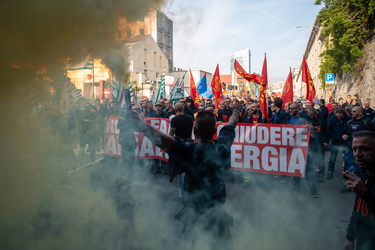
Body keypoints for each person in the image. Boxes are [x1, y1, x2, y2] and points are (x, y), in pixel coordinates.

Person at [127, 102, 242, 250]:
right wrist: (237, 111)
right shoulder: (222, 146)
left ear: (194, 130)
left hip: (195, 217)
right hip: (217, 216)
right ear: (214, 130)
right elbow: (231, 126)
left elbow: (166, 141)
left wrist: (141, 126)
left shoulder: (190, 151)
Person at [342, 130, 375, 250]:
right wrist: (350, 238)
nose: (358, 154)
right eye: (354, 149)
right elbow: (357, 210)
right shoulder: (363, 175)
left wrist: (366, 195)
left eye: (364, 149)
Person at [341, 106, 375, 192]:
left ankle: (361, 185)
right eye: (351, 111)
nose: (352, 112)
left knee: (360, 168)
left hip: (363, 153)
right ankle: (346, 185)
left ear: (360, 113)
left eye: (354, 111)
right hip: (349, 150)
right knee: (347, 168)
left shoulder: (367, 123)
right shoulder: (349, 122)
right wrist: (344, 135)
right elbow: (344, 131)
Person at [167, 102, 194, 202]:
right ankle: (189, 192)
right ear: (183, 109)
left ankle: (182, 194)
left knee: (180, 171)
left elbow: (171, 133)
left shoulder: (174, 119)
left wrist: (166, 147)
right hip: (189, 144)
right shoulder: (190, 118)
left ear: (175, 109)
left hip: (179, 145)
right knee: (188, 169)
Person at [326, 109, 352, 180]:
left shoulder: (349, 119)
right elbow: (329, 129)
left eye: (341, 117)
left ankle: (346, 174)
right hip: (335, 142)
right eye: (338, 117)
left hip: (345, 143)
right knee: (332, 158)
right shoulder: (333, 119)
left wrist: (347, 135)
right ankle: (330, 171)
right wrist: (329, 138)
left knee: (346, 159)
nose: (339, 118)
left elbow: (351, 130)